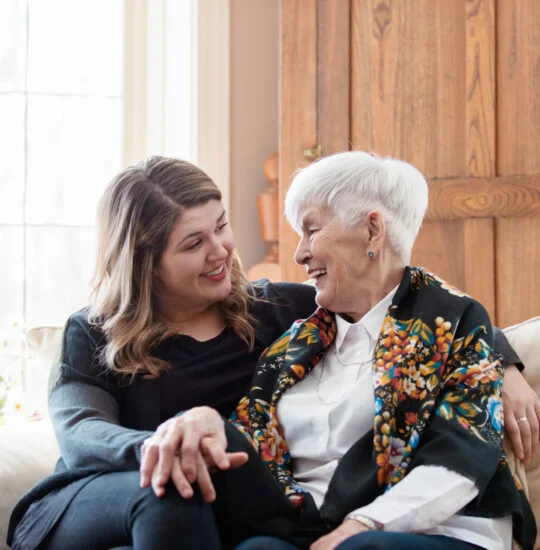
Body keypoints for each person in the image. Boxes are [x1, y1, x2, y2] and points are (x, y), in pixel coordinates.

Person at [6, 155, 535, 550]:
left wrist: (500, 358)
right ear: (144, 262)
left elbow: (400, 289)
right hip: (94, 494)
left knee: (203, 505)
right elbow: (81, 435)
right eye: (193, 244)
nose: (221, 252)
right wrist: (169, 446)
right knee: (173, 487)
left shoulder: (276, 310)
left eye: (221, 226)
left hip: (211, 508)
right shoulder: (95, 330)